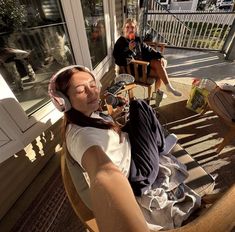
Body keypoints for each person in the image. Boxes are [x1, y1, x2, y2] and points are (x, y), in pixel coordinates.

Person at [48, 65, 200, 231]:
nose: (92, 92)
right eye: (80, 90)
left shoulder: (84, 117)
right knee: (140, 106)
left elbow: (101, 134)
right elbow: (103, 172)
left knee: (136, 112)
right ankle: (160, 146)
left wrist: (113, 120)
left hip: (128, 149)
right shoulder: (81, 137)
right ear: (64, 101)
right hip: (139, 174)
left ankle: (157, 144)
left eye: (92, 85)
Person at [113, 18, 182, 97]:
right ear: (123, 29)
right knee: (160, 72)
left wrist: (161, 56)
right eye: (127, 27)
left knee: (159, 62)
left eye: (132, 27)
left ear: (135, 29)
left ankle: (168, 87)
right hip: (134, 70)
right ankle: (157, 93)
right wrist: (129, 50)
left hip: (144, 65)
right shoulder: (120, 42)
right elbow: (118, 60)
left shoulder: (137, 39)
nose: (130, 29)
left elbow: (148, 49)